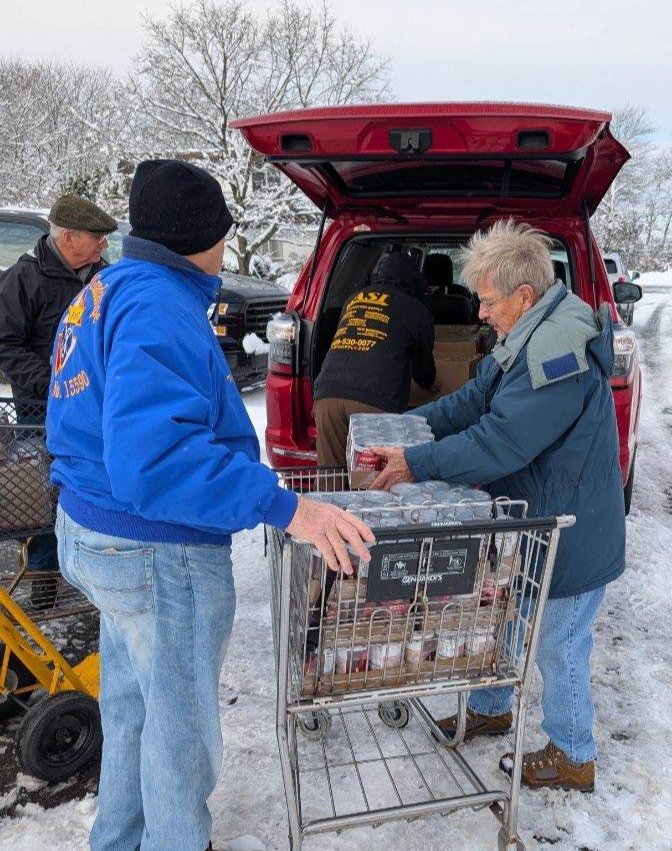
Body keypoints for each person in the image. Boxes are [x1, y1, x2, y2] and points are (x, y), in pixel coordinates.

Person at [46, 159, 374, 851]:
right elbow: (155, 459)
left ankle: (120, 840)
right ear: (199, 235)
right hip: (155, 548)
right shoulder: (159, 305)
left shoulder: (106, 288)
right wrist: (291, 509)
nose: (226, 249)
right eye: (222, 234)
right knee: (179, 731)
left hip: (95, 528)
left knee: (136, 709)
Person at [373, 219, 626, 792]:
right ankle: (491, 707)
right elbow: (474, 398)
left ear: (523, 296)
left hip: (571, 533)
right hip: (531, 521)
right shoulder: (530, 334)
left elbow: (501, 441)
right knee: (501, 621)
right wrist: (416, 424)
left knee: (559, 647)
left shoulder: (558, 356)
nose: (481, 313)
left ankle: (573, 754)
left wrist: (418, 463)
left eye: (488, 302)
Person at [0, 196, 116, 586]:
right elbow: (6, 345)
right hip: (42, 409)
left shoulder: (103, 277)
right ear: (68, 237)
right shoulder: (24, 279)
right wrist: (52, 384)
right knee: (49, 493)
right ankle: (46, 577)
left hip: (96, 405)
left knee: (93, 485)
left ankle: (92, 566)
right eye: (97, 238)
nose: (103, 245)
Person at [313, 250, 439, 466]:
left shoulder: (353, 299)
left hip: (327, 398)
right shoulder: (415, 310)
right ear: (413, 280)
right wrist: (432, 385)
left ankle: (327, 501)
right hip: (374, 404)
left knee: (330, 476)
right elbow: (424, 371)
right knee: (375, 480)